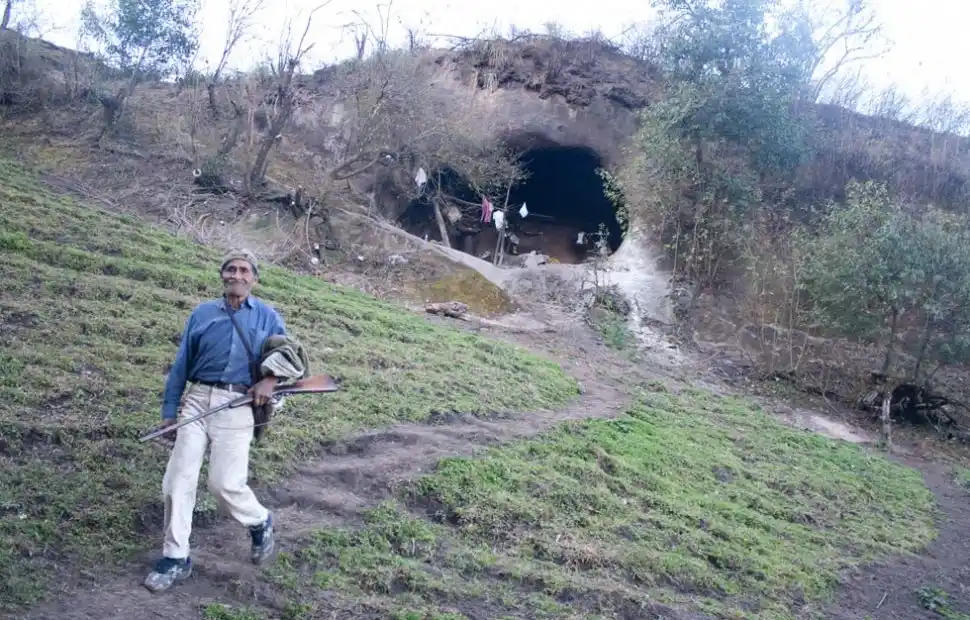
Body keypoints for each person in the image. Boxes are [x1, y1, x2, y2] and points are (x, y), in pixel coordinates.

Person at [143, 250, 285, 593]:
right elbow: (181, 364)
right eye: (231, 269)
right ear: (223, 275)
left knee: (224, 484)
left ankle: (259, 520)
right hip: (196, 400)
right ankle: (175, 557)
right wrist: (169, 412)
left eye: (245, 270)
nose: (237, 275)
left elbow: (288, 356)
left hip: (238, 403)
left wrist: (270, 380)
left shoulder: (267, 317)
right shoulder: (202, 313)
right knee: (177, 480)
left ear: (254, 279)